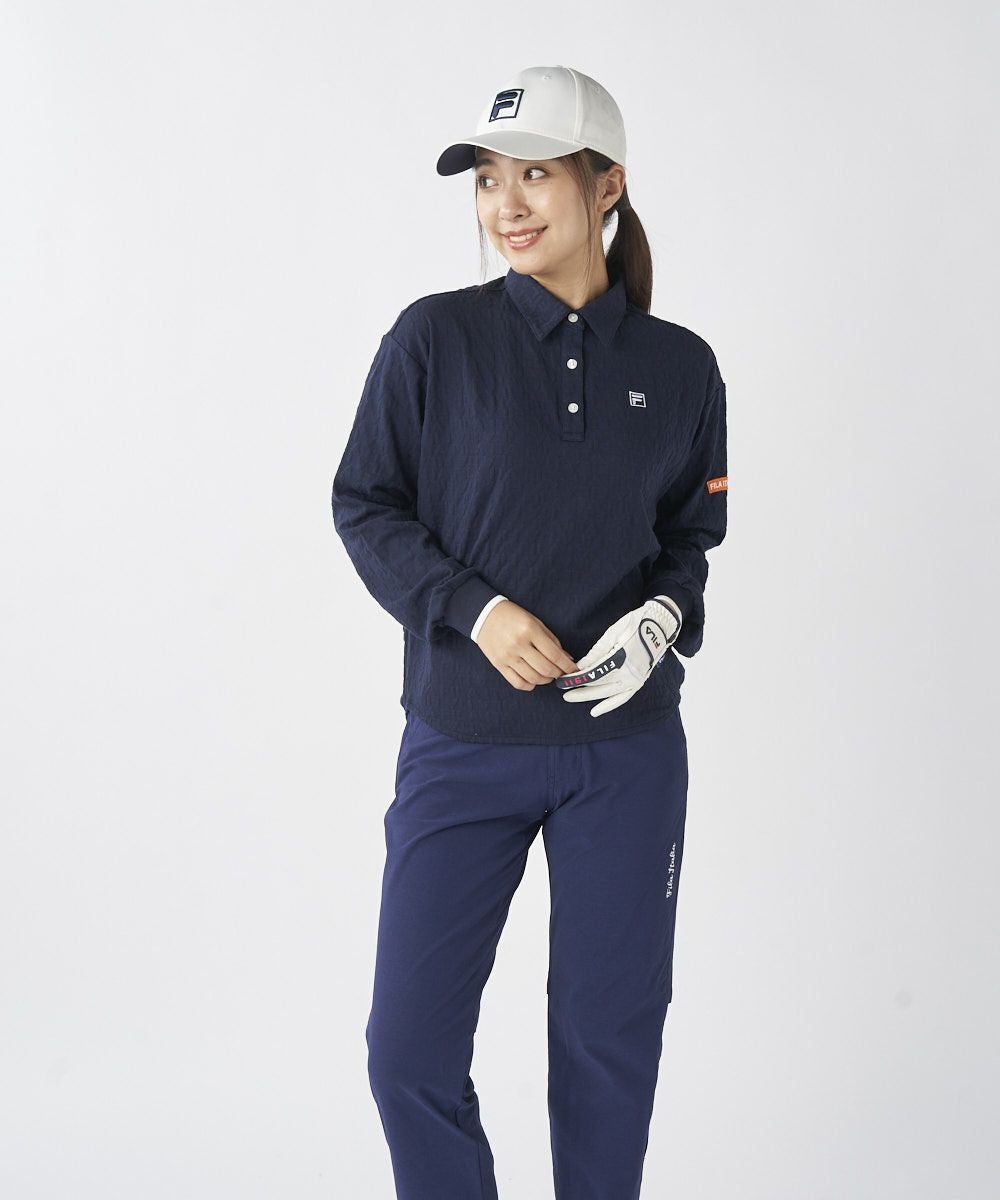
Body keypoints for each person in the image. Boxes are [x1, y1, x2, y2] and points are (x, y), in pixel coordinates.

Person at [331, 63, 728, 1200]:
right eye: (487, 180)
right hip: (462, 743)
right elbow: (365, 504)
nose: (505, 205)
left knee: (608, 1045)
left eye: (536, 176)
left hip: (625, 757)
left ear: (607, 186)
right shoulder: (433, 341)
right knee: (407, 1051)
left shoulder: (681, 365)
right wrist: (476, 609)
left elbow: (691, 537)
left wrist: (663, 618)